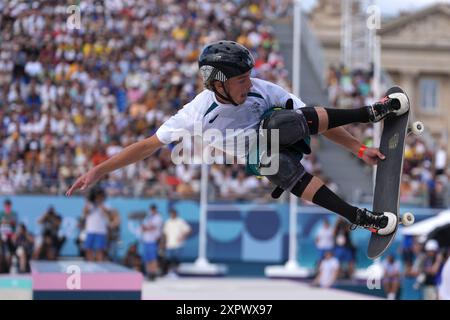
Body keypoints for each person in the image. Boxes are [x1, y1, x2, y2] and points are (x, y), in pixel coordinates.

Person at [66, 40, 409, 235]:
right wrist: (99, 171)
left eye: (249, 77)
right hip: (262, 156)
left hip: (287, 132)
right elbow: (145, 146)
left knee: (287, 119)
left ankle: (372, 112)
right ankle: (359, 217)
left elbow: (316, 119)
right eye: (241, 80)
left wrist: (359, 147)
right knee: (277, 167)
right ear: (218, 83)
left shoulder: (262, 89)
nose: (249, 84)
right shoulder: (196, 114)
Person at [161, 209, 191, 276]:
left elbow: (188, 230)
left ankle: (176, 272)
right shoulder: (168, 222)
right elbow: (165, 233)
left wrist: (183, 237)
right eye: (171, 214)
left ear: (176, 214)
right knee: (168, 259)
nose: (172, 215)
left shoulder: (180, 221)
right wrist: (163, 243)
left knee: (176, 260)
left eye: (173, 213)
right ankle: (169, 272)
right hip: (169, 244)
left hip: (178, 244)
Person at [141, 204, 163, 280]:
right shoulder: (147, 217)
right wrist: (146, 228)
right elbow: (143, 227)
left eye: (153, 209)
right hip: (146, 240)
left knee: (153, 258)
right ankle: (148, 273)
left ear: (156, 209)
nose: (152, 211)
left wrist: (146, 228)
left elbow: (152, 227)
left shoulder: (158, 218)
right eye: (151, 209)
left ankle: (153, 273)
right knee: (147, 258)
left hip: (153, 240)